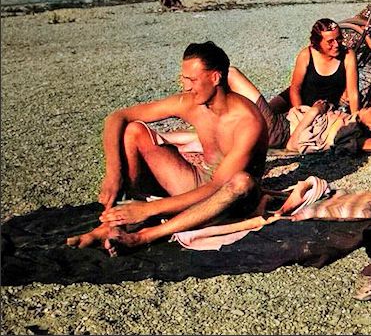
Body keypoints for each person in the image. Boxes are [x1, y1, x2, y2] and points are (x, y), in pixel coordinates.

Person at [65, 42, 270, 253]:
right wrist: (113, 174)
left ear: (215, 78)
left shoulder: (247, 122)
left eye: (192, 80)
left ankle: (143, 236)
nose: (186, 87)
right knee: (134, 131)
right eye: (184, 79)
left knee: (241, 181)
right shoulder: (192, 103)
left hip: (232, 199)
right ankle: (112, 226)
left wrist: (149, 209)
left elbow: (217, 185)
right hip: (198, 183)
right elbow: (117, 117)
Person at [228, 68, 371, 155]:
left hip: (276, 130)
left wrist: (314, 112)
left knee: (230, 74)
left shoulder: (350, 134)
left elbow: (293, 145)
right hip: (280, 120)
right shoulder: (349, 123)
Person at [267, 18, 360, 115]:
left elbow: (353, 93)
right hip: (296, 100)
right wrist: (300, 113)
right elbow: (295, 88)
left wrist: (355, 118)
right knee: (265, 113)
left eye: (339, 38)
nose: (336, 44)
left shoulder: (348, 56)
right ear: (318, 42)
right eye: (330, 41)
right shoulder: (306, 55)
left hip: (321, 107)